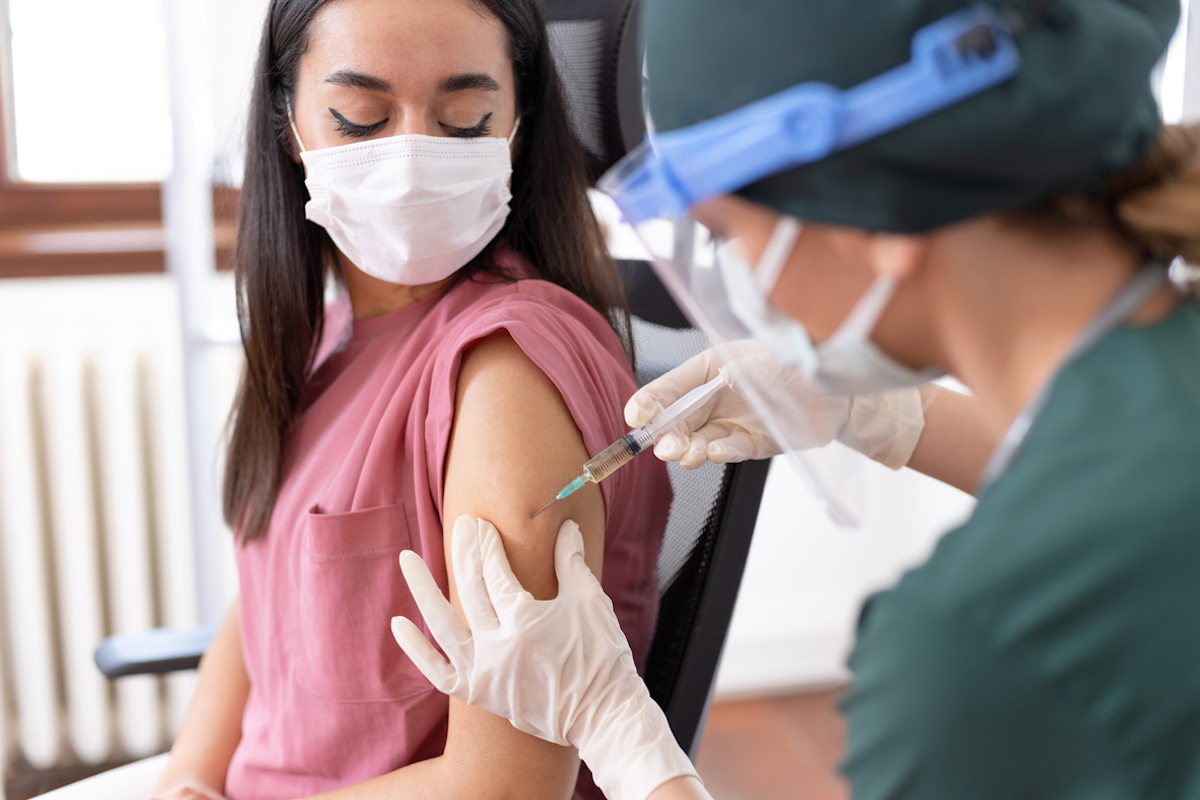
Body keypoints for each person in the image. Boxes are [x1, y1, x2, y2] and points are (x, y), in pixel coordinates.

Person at [392, 0, 1200, 798]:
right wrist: (887, 415)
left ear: (877, 207)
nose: (739, 283)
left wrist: (617, 730)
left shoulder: (982, 648)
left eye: (728, 236)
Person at [40, 1, 670, 799]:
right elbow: (272, 594)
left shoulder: (506, 374)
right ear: (288, 123)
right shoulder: (326, 337)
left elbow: (507, 784)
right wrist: (189, 777)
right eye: (360, 119)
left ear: (519, 121)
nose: (411, 157)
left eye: (466, 120)